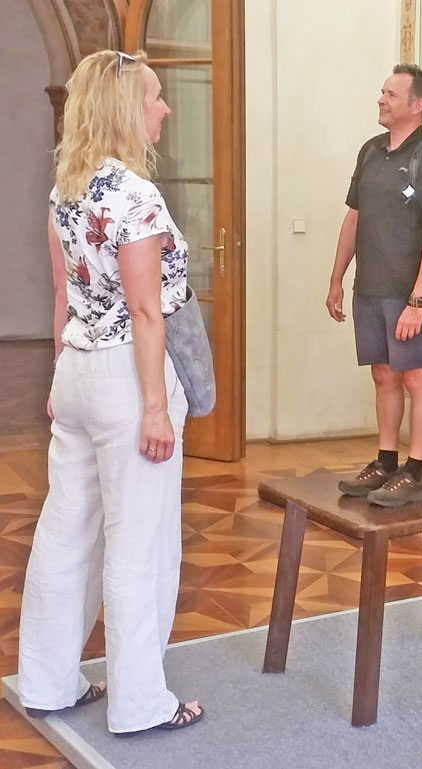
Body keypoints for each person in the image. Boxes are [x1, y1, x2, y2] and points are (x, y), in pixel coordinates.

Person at [17, 50, 204, 734]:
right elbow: (149, 311)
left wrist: (60, 380)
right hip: (131, 377)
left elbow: (64, 293)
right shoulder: (135, 195)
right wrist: (156, 406)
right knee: (139, 539)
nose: (164, 108)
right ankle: (140, 701)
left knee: (65, 531)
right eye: (155, 97)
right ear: (128, 108)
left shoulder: (66, 189)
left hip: (79, 373)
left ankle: (46, 679)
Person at [326, 64, 422, 507]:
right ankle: (386, 461)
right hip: (370, 289)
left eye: (392, 95)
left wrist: (418, 300)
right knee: (383, 375)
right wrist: (337, 278)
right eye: (382, 92)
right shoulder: (371, 152)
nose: (381, 99)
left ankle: (414, 472)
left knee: (415, 376)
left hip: (408, 293)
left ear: (417, 106)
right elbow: (353, 218)